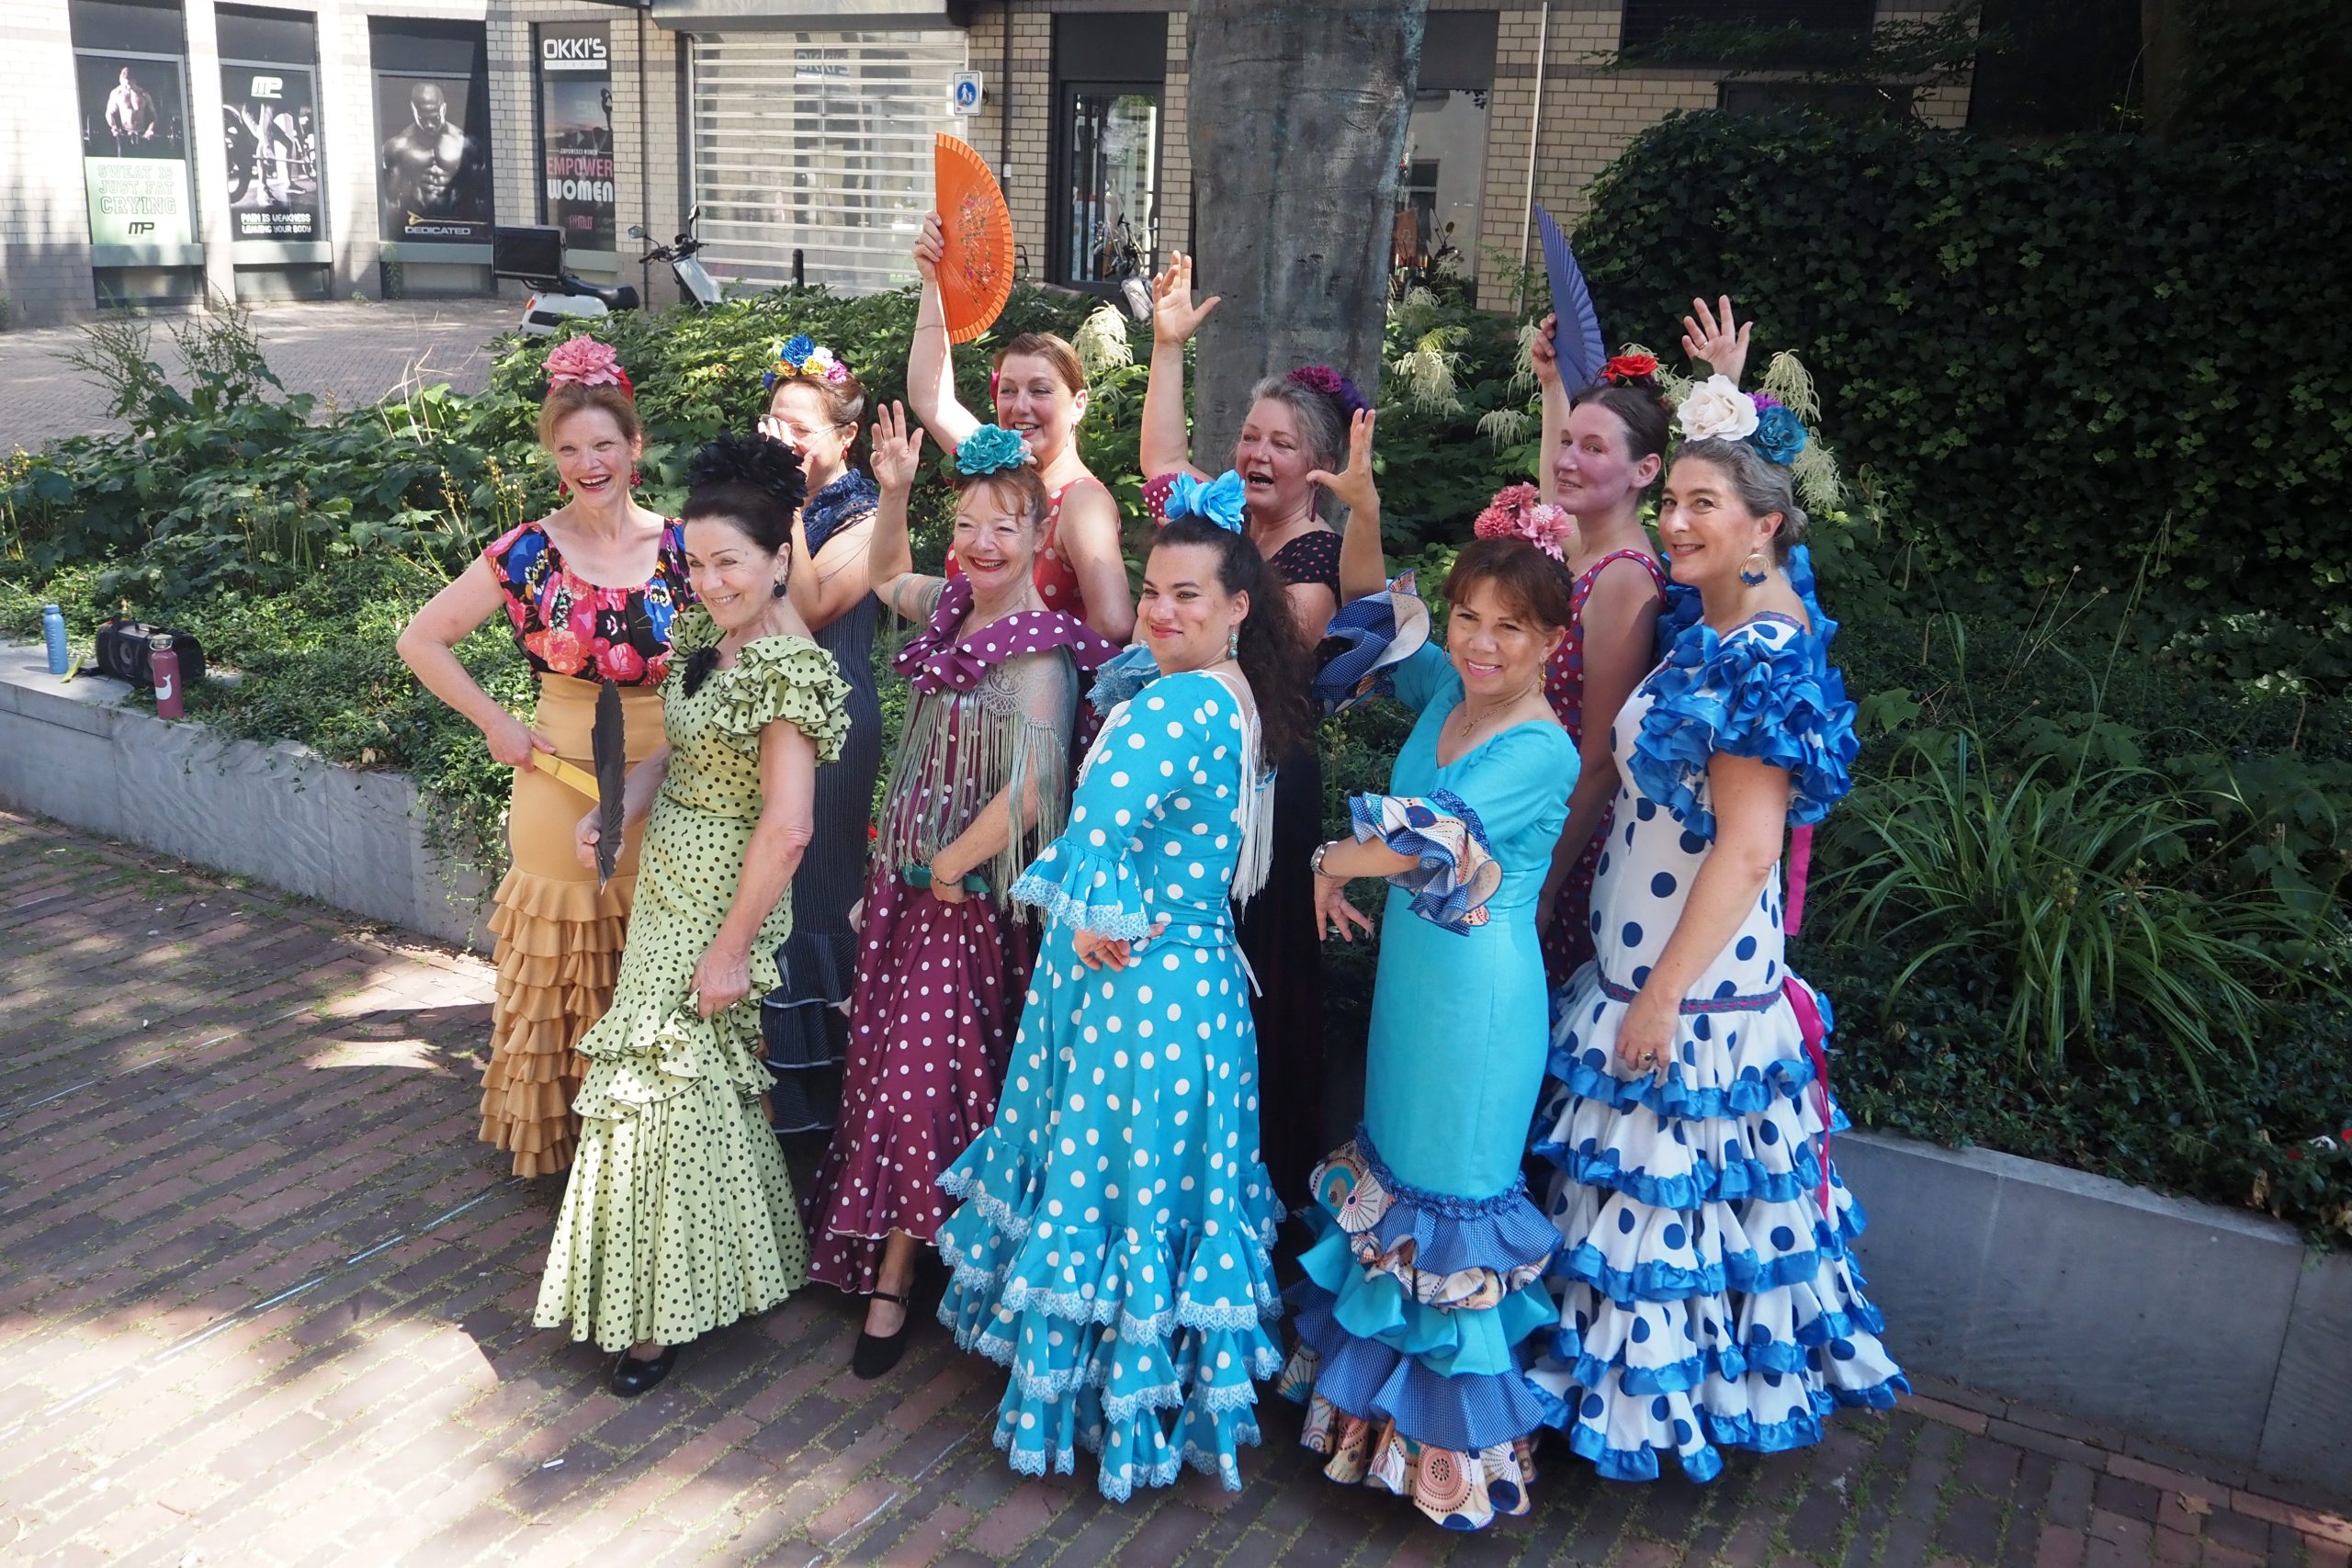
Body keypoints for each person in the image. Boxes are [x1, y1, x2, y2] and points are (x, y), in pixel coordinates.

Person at [1527, 412, 1905, 1481]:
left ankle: (1656, 1414)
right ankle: (1639, 1397)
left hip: (1684, 991)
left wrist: (1658, 1001)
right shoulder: (1732, 623)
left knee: (1670, 1207)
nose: (1676, 521)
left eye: (1705, 504)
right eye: (1672, 501)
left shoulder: (1764, 655)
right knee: (1667, 1213)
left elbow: (1745, 853)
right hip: (1644, 961)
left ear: (1764, 528)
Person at [933, 511, 1315, 1500]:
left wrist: (1097, 915)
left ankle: (1099, 1406)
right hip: (1196, 994)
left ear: (1237, 605)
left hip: (1133, 994)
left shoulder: (1174, 708)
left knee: (1112, 1194)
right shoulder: (1227, 695)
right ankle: (1138, 1397)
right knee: (1159, 1199)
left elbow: (1096, 831)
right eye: (1151, 589)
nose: (1157, 608)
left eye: (1186, 593)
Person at [799, 411, 1115, 1377]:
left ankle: (898, 1276)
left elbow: (1034, 787)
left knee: (925, 1081)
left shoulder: (1037, 652)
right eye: (968, 524)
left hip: (964, 899)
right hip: (903, 884)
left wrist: (946, 866)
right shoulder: (949, 609)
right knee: (888, 1064)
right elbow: (885, 573)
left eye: (1003, 528)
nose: (981, 544)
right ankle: (886, 1244)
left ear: (1037, 538)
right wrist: (892, 489)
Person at [533, 433, 851, 1396]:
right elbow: (680, 749)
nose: (710, 581)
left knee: (654, 1083)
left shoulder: (785, 669)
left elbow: (790, 827)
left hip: (723, 897)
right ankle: (716, 1274)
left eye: (731, 565)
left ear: (778, 561)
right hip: (671, 868)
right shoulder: (717, 645)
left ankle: (648, 1319)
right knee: (688, 1085)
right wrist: (618, 803)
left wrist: (728, 950)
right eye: (698, 562)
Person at [1280, 536, 1578, 1531]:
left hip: (1480, 1012)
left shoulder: (1542, 749)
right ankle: (1362, 1427)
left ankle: (1445, 1462)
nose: (1482, 642)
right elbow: (1376, 611)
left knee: (1449, 1206)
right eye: (1469, 618)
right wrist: (1358, 509)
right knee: (1395, 1184)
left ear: (1550, 642)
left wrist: (1326, 858)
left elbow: (1415, 843)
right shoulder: (1450, 685)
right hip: (1415, 996)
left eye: (1511, 628)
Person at [398, 336, 687, 1179]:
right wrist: (496, 721)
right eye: (567, 449)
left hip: (674, 771)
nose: (586, 463)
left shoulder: (681, 547)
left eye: (602, 444)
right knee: (566, 953)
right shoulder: (526, 550)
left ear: (635, 447)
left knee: (660, 947)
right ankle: (572, 1148)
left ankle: (655, 1146)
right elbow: (422, 639)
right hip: (559, 774)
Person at [1138, 250, 1369, 1216]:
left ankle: (1257, 1182)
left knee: (1260, 971)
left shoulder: (1312, 558)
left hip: (1266, 788)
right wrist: (1164, 349)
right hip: (1193, 779)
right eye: (1245, 436)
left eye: (1279, 442)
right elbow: (1159, 469)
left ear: (1317, 464)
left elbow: (1279, 643)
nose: (1255, 454)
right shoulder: (1221, 528)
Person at [752, 337, 881, 1137]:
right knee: (767, 892)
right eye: (776, 423)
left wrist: (788, 504)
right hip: (763, 718)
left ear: (844, 437)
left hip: (834, 718)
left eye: (802, 429)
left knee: (815, 889)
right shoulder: (762, 500)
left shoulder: (866, 511)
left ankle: (825, 1099)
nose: (786, 440)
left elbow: (810, 611)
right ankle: (766, 1087)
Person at [908, 212, 1135, 643]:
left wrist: (1023, 660)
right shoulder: (998, 466)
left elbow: (1115, 622)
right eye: (1008, 390)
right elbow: (929, 397)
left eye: (1041, 391)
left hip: (1035, 704)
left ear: (1078, 404)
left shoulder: (1081, 501)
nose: (1021, 406)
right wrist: (934, 282)